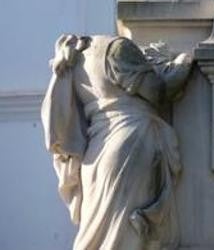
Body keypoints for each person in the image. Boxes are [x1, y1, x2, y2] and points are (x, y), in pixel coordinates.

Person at [41, 34, 194, 250]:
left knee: (101, 232)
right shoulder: (117, 48)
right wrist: (183, 63)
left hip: (96, 153)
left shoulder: (80, 58)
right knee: (126, 234)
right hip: (130, 144)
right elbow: (158, 92)